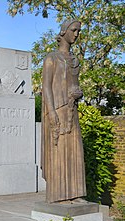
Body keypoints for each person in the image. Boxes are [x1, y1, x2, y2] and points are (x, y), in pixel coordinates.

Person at [41, 20, 86, 203]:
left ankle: (75, 193)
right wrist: (51, 112)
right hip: (57, 110)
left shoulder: (75, 60)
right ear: (64, 32)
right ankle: (58, 195)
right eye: (74, 30)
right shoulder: (51, 58)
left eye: (78, 31)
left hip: (71, 110)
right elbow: (46, 87)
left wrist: (79, 92)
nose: (76, 34)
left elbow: (73, 85)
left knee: (75, 151)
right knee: (58, 153)